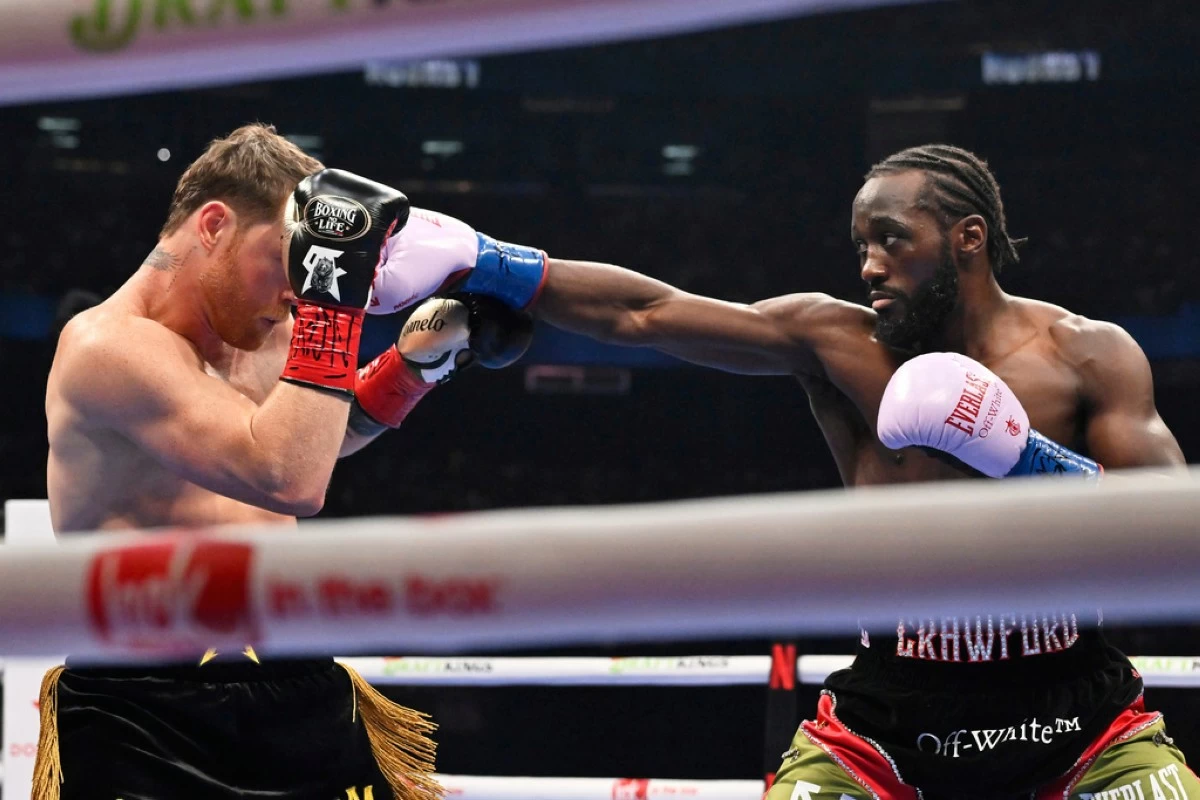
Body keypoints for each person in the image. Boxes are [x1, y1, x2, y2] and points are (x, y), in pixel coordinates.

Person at [365, 144, 1191, 799]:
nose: (869, 265)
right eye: (862, 244)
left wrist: (1026, 461)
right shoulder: (838, 342)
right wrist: (484, 259)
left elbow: (1169, 536)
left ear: (967, 238)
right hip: (889, 719)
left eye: (892, 240)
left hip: (1078, 713)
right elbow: (647, 312)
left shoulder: (1089, 353)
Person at [40, 123, 534, 800]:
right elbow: (287, 478)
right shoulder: (107, 348)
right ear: (213, 225)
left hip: (294, 682)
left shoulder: (271, 325)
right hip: (147, 708)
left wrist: (411, 371)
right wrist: (340, 303)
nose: (302, 288)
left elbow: (311, 445)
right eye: (287, 258)